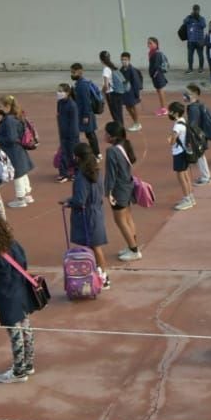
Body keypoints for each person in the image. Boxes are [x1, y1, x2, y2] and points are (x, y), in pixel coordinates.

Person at [0, 212, 38, 383]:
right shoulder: (15, 245)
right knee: (26, 329)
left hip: (6, 297)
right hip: (21, 292)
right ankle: (28, 364)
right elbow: (24, 264)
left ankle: (19, 370)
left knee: (15, 333)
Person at [65, 142, 110, 289]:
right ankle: (102, 276)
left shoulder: (81, 177)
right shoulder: (96, 171)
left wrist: (69, 202)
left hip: (87, 215)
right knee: (95, 247)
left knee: (93, 247)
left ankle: (101, 277)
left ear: (78, 157)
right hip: (97, 211)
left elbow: (79, 200)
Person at [103, 122, 142, 262]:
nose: (104, 135)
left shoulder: (112, 151)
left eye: (106, 133)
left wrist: (108, 192)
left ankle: (134, 250)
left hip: (119, 189)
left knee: (120, 220)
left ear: (112, 137)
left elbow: (110, 174)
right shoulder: (124, 146)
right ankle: (132, 244)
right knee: (128, 217)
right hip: (127, 186)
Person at [0, 95, 35, 208]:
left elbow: (11, 138)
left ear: (8, 106)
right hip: (19, 150)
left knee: (17, 174)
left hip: (13, 151)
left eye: (0, 106)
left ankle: (20, 198)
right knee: (23, 173)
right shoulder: (17, 116)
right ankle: (27, 194)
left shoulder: (8, 120)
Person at [184, 84, 211, 187]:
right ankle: (205, 175)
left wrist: (189, 139)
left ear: (194, 95)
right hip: (200, 135)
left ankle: (206, 177)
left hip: (197, 137)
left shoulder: (193, 108)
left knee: (199, 157)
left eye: (188, 93)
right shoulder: (198, 105)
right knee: (200, 156)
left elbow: (193, 125)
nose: (185, 95)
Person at [166, 102, 196, 212]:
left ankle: (187, 199)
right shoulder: (183, 121)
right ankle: (190, 196)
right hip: (184, 152)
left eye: (170, 111)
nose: (169, 113)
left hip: (179, 153)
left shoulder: (177, 126)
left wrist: (169, 139)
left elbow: (172, 140)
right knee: (186, 175)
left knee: (181, 177)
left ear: (175, 113)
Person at [70, 63, 101, 159]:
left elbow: (86, 101)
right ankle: (95, 153)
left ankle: (97, 154)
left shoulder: (82, 85)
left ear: (80, 72)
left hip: (85, 114)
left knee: (90, 134)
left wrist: (86, 116)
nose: (72, 74)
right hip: (84, 113)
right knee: (89, 134)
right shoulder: (79, 84)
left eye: (73, 72)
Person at [56, 82, 79, 183]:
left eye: (61, 91)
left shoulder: (72, 105)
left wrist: (72, 136)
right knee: (63, 154)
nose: (58, 93)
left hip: (72, 135)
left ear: (68, 92)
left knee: (72, 154)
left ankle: (75, 172)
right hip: (63, 133)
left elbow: (74, 123)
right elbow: (58, 116)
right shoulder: (60, 103)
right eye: (58, 91)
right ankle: (63, 173)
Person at [99, 51, 126, 127]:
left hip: (111, 94)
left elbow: (106, 85)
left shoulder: (106, 69)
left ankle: (119, 131)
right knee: (119, 113)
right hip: (118, 92)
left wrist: (102, 93)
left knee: (115, 114)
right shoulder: (113, 67)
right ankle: (121, 129)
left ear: (101, 60)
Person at [119, 52, 144, 131]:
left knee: (133, 107)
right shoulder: (121, 69)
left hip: (132, 92)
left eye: (125, 59)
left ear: (129, 60)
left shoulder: (132, 70)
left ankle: (137, 123)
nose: (123, 61)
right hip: (125, 92)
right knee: (128, 107)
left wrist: (138, 93)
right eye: (122, 59)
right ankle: (136, 122)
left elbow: (136, 82)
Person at [147, 37, 169, 117]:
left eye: (150, 43)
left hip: (158, 75)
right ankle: (162, 107)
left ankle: (164, 109)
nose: (148, 45)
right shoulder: (152, 52)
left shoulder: (157, 53)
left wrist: (154, 74)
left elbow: (156, 65)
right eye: (148, 43)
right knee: (159, 91)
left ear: (156, 44)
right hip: (155, 75)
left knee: (160, 91)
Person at [183, 4, 206, 73]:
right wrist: (190, 16)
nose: (196, 11)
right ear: (192, 10)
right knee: (190, 55)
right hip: (191, 41)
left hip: (199, 40)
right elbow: (184, 22)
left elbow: (203, 25)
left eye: (197, 10)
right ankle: (190, 68)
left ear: (199, 10)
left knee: (200, 55)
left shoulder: (201, 18)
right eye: (194, 9)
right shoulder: (189, 18)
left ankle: (201, 68)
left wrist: (198, 18)